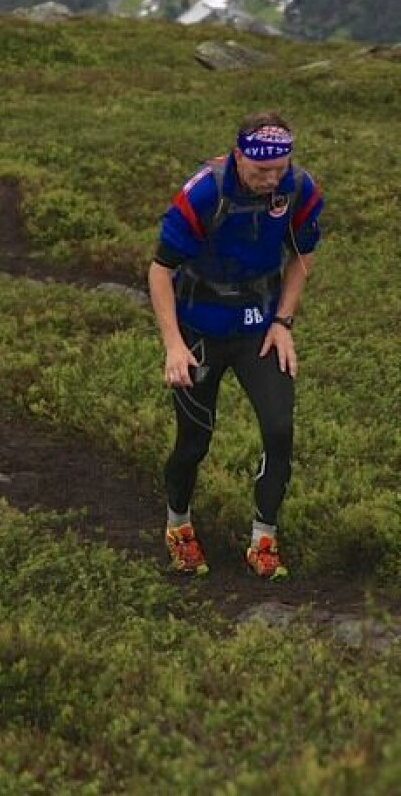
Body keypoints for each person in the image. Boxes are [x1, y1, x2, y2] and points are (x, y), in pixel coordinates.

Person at [147, 112, 324, 580]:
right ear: (239, 154)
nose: (271, 180)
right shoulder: (204, 192)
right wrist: (173, 346)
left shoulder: (300, 188)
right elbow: (160, 270)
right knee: (194, 439)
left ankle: (263, 538)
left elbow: (302, 254)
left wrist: (283, 321)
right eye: (261, 170)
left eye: (279, 169)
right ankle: (178, 525)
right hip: (199, 328)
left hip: (256, 327)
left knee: (280, 427)